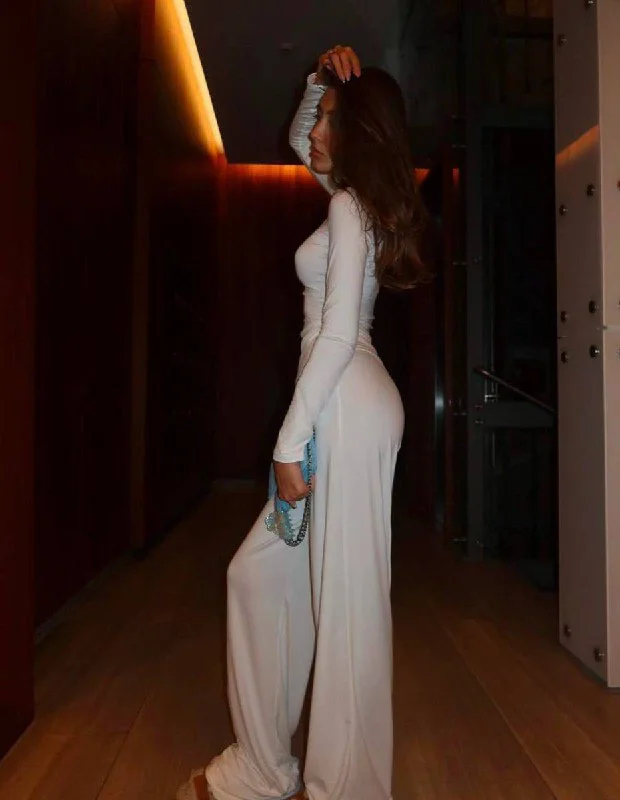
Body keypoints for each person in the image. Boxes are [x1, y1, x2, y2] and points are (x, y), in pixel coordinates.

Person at [177, 44, 428, 800]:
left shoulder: (348, 207)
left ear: (357, 134)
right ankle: (263, 767)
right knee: (259, 576)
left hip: (341, 405)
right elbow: (298, 138)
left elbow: (338, 334)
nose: (314, 130)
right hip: (340, 403)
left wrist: (289, 442)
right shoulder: (351, 197)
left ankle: (344, 790)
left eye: (329, 120)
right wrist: (321, 81)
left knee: (346, 610)